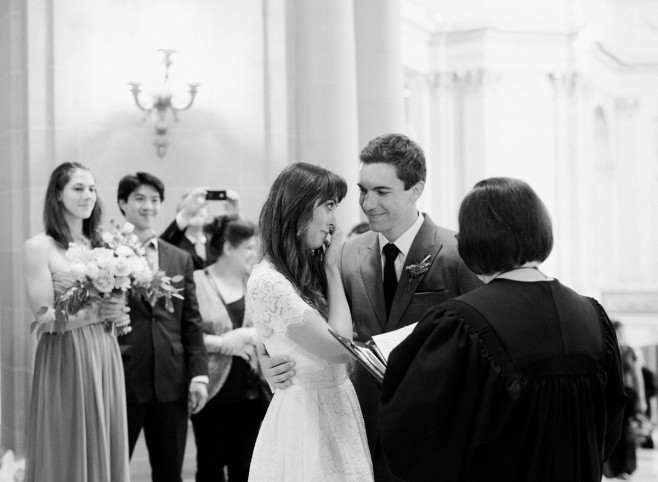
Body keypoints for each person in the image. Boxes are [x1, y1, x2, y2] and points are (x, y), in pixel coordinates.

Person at [259, 133, 481, 481]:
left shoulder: (457, 253)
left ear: (416, 189)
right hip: (359, 433)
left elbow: (481, 347)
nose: (367, 202)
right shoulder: (344, 254)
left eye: (382, 192)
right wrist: (267, 359)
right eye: (363, 190)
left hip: (434, 437)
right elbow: (298, 316)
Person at [379, 177, 628, 482]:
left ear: (473, 241)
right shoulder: (593, 316)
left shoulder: (460, 323)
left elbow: (415, 439)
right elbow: (609, 426)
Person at [247, 162, 373, 481]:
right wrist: (332, 269)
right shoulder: (269, 281)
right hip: (304, 416)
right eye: (328, 206)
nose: (333, 221)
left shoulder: (303, 268)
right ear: (300, 207)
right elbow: (340, 349)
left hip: (339, 403)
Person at [23, 162, 131, 481]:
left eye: (92, 189)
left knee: (104, 434)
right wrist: (98, 312)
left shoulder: (105, 246)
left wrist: (119, 313)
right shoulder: (39, 247)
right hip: (65, 356)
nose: (88, 196)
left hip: (104, 351)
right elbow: (44, 319)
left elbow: (117, 303)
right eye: (78, 188)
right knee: (65, 439)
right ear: (58, 194)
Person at [116, 172, 209, 482]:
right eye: (139, 199)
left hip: (172, 378)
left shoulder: (179, 258)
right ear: (122, 204)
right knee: (112, 469)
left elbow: (191, 320)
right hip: (122, 376)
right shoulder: (108, 254)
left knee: (170, 472)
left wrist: (199, 375)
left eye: (154, 200)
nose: (148, 206)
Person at [191, 215, 264, 482]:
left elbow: (272, 328)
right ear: (228, 248)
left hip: (251, 391)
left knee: (246, 468)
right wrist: (223, 343)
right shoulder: (197, 281)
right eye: (248, 247)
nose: (254, 253)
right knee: (209, 466)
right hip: (211, 392)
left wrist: (246, 333)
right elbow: (186, 334)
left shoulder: (255, 283)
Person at [605, 321, 647, 479]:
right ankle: (612, 468)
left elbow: (638, 376)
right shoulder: (608, 349)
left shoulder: (629, 351)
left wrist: (641, 399)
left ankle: (626, 467)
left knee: (627, 433)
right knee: (613, 430)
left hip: (628, 394)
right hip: (612, 394)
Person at [161, 187, 240, 270]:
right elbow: (161, 245)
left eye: (202, 206)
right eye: (194, 206)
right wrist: (186, 214)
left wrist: (234, 210)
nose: (197, 210)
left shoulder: (216, 241)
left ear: (208, 212)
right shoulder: (173, 242)